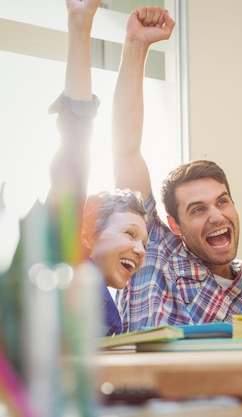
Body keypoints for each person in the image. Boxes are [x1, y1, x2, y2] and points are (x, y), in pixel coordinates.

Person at [112, 7, 242, 332]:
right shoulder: (155, 251)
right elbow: (125, 148)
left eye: (222, 201)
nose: (216, 216)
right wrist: (136, 45)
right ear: (174, 225)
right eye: (197, 209)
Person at [47, 0, 148, 336]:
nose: (140, 250)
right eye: (130, 234)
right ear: (87, 233)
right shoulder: (66, 261)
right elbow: (74, 152)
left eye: (144, 243)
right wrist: (80, 24)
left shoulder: (109, 313)